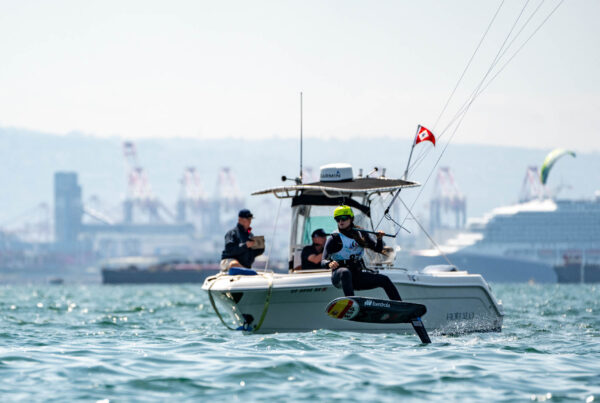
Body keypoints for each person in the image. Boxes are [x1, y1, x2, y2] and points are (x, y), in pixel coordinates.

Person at [322, 205, 402, 301]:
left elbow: (377, 249)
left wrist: (379, 239)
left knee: (384, 279)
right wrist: (329, 263)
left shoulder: (361, 233)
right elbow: (323, 261)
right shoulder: (334, 238)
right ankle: (351, 303)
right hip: (339, 277)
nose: (340, 222)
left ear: (351, 219)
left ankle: (400, 305)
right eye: (337, 219)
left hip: (356, 277)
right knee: (345, 272)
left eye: (343, 218)